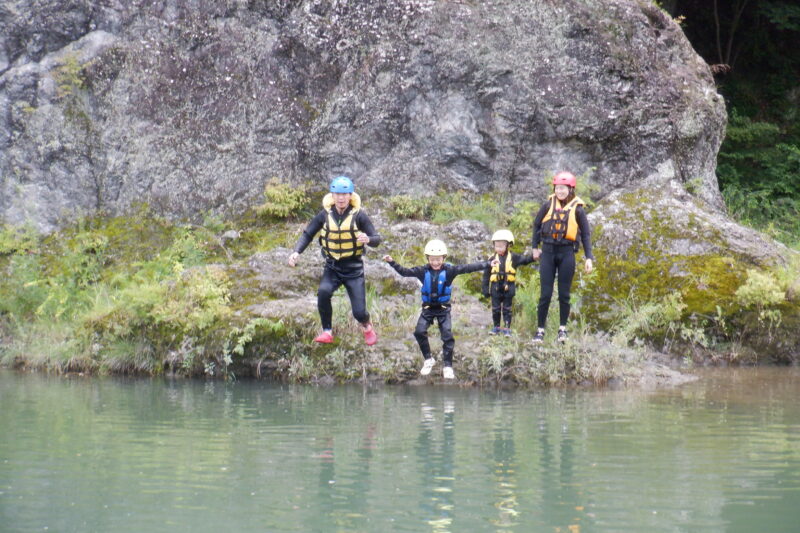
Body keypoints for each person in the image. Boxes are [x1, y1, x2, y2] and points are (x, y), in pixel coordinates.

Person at [383, 240, 497, 380]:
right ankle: (428, 359)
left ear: (444, 258)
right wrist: (391, 262)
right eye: (432, 259)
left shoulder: (450, 271)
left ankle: (448, 366)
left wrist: (487, 264)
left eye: (438, 260)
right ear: (428, 259)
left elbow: (468, 267)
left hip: (443, 309)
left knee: (447, 335)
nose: (435, 263)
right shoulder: (421, 271)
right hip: (428, 309)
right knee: (419, 331)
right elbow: (404, 272)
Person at [288, 176, 380, 345]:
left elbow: (376, 238)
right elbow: (308, 234)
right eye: (337, 194)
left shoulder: (359, 216)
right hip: (332, 267)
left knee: (359, 313)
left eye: (344, 194)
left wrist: (368, 239)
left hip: (353, 269)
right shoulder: (324, 215)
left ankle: (367, 326)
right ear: (332, 195)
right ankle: (327, 331)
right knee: (323, 292)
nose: (341, 198)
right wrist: (296, 252)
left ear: (351, 196)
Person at [530, 171, 594, 344]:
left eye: (563, 188)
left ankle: (562, 330)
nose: (560, 191)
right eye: (558, 188)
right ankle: (540, 330)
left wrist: (589, 258)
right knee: (545, 294)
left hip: (567, 253)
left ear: (570, 189)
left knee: (564, 294)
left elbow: (586, 235)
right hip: (548, 252)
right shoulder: (547, 205)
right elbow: (536, 225)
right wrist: (535, 247)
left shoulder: (578, 210)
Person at [481, 229, 536, 337]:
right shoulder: (491, 259)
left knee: (507, 308)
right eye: (496, 246)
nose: (498, 249)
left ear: (508, 245)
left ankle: (507, 328)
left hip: (508, 287)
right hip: (495, 287)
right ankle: (496, 327)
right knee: (495, 308)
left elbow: (525, 260)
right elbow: (486, 275)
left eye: (501, 246)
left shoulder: (514, 257)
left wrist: (533, 257)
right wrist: (485, 288)